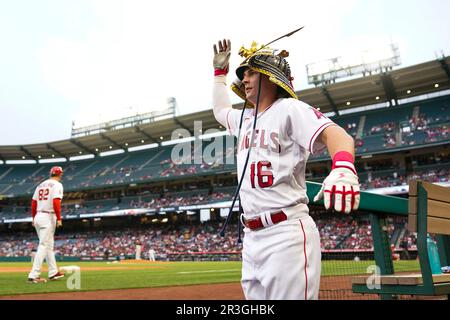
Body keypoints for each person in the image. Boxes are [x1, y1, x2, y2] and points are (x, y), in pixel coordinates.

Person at [212, 39, 360, 300]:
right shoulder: (245, 118)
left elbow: (336, 135)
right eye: (243, 74)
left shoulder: (290, 109)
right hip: (251, 238)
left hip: (286, 233)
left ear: (270, 76)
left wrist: (344, 169)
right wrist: (219, 76)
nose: (244, 79)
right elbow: (220, 110)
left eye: (250, 73)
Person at [27, 166, 65, 283]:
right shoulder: (57, 185)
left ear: (51, 173)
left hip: (38, 215)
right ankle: (34, 275)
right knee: (43, 245)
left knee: (48, 245)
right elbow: (55, 201)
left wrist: (33, 218)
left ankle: (53, 272)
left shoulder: (41, 185)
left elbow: (33, 203)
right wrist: (59, 218)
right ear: (60, 174)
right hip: (48, 216)